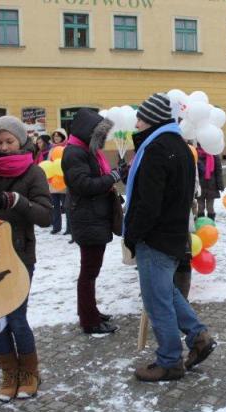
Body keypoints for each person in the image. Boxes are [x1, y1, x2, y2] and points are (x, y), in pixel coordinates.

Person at [124, 93, 216, 382]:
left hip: (155, 238)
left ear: (149, 119)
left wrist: (134, 235)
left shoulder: (156, 149)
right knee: (167, 293)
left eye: (139, 117)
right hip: (175, 234)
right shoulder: (178, 144)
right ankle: (198, 336)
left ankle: (169, 361)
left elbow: (149, 203)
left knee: (156, 301)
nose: (135, 122)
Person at [0, 116, 52, 402]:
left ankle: (29, 372)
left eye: (9, 141)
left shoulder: (33, 173)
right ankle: (9, 373)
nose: (4, 147)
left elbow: (46, 216)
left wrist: (17, 201)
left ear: (21, 141)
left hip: (20, 255)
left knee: (16, 317)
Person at [62, 108, 127, 334]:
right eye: (98, 136)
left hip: (93, 216)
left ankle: (89, 311)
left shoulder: (84, 151)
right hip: (87, 218)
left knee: (91, 271)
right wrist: (113, 177)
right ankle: (89, 320)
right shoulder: (74, 154)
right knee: (89, 272)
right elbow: (85, 185)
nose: (101, 141)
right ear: (87, 133)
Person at [196, 147, 224, 220]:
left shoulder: (214, 155)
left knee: (210, 207)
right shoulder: (196, 154)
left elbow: (218, 171)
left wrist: (220, 185)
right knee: (200, 207)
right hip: (200, 186)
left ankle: (211, 224)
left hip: (211, 186)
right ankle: (201, 224)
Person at [49, 128, 69, 235]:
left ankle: (69, 228)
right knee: (55, 206)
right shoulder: (51, 149)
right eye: (55, 136)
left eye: (58, 136)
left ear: (63, 137)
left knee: (66, 206)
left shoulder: (66, 148)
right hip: (53, 181)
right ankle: (56, 227)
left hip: (63, 181)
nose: (56, 138)